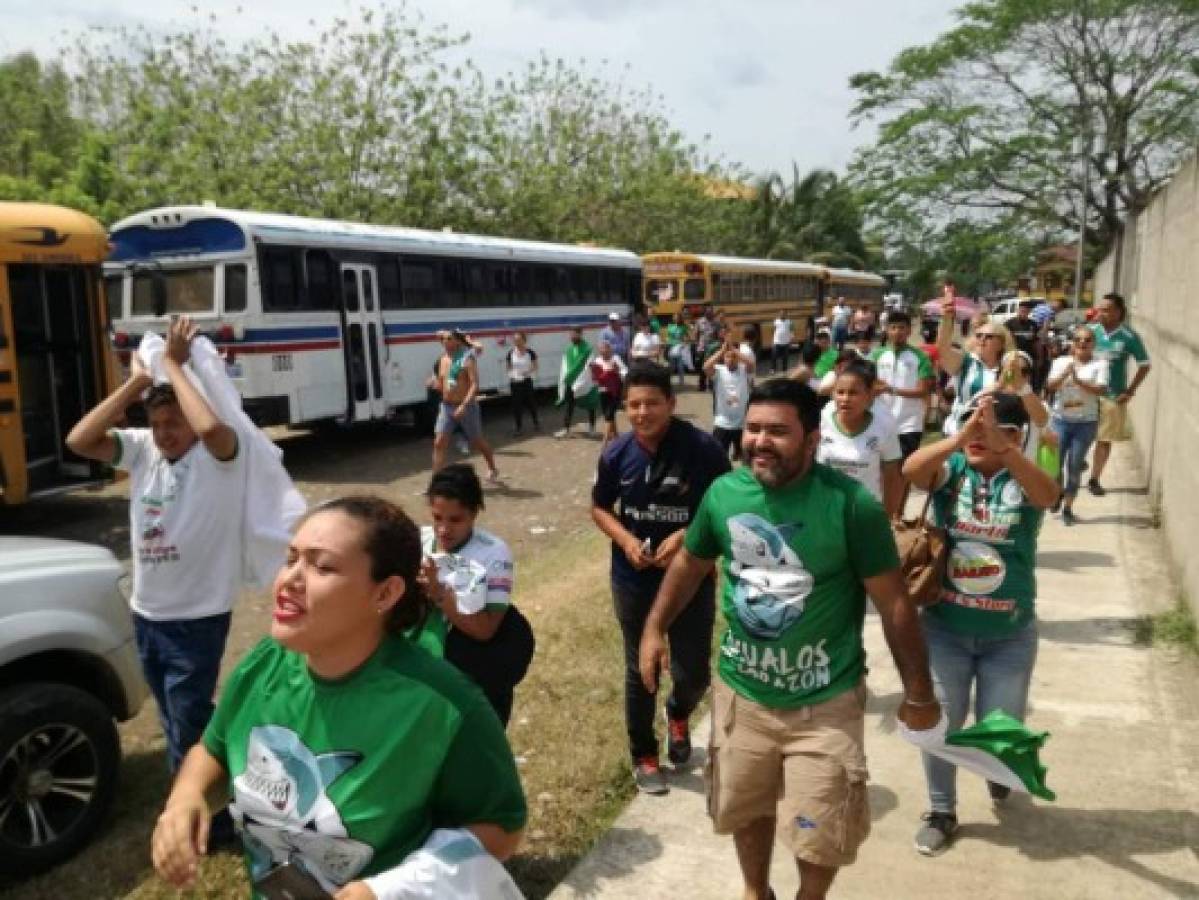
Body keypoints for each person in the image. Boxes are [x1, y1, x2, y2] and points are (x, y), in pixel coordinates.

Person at [639, 378, 940, 900]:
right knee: (746, 809)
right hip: (743, 698)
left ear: (812, 439)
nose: (760, 441)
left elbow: (895, 603)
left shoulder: (851, 506)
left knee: (819, 830)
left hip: (824, 705)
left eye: (777, 431)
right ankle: (756, 890)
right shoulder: (725, 494)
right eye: (753, 429)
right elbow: (690, 562)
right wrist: (654, 627)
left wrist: (919, 693)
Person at [150, 496, 527, 896]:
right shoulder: (264, 664)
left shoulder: (444, 704)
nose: (289, 580)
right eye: (290, 559)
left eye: (322, 566)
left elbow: (503, 828)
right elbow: (214, 748)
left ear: (385, 594)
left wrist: (387, 889)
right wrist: (186, 797)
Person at [66, 317, 246, 848]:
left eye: (174, 422)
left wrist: (173, 366)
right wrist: (139, 382)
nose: (165, 432)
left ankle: (200, 817)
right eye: (158, 422)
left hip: (196, 618)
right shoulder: (143, 449)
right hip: (148, 615)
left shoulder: (219, 457)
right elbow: (79, 440)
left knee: (187, 720)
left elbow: (210, 429)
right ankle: (215, 788)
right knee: (173, 717)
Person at [902, 393, 1059, 856]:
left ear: (1013, 435)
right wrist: (958, 438)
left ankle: (997, 769)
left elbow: (1049, 496)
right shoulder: (953, 472)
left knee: (1002, 728)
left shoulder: (1023, 477)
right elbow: (912, 471)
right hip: (944, 630)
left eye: (989, 428)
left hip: (1009, 635)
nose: (977, 435)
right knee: (940, 725)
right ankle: (941, 810)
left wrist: (1006, 450)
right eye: (970, 423)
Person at [590, 363, 731, 794]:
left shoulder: (703, 449)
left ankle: (678, 712)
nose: (642, 413)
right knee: (641, 667)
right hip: (633, 580)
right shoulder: (616, 454)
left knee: (694, 673)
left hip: (690, 577)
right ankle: (644, 755)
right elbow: (599, 508)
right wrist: (626, 541)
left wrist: (687, 536)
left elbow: (727, 505)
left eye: (652, 403)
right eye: (633, 405)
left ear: (671, 403)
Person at [417, 465, 535, 725]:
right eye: (437, 518)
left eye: (455, 520)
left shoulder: (493, 554)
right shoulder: (418, 542)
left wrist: (439, 595)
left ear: (474, 513)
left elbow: (485, 629)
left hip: (475, 673)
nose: (443, 529)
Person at [817, 358, 904, 518]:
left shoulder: (884, 424)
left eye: (853, 393)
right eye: (840, 392)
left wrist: (886, 517)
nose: (845, 399)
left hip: (865, 513)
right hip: (825, 511)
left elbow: (892, 476)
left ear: (870, 395)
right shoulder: (822, 419)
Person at [1087, 292, 1151, 496]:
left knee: (1104, 439)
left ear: (1118, 312)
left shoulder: (1129, 337)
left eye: (1106, 310)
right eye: (1100, 309)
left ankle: (1094, 479)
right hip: (1085, 394)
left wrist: (1130, 391)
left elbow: (1144, 365)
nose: (1101, 313)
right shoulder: (1089, 332)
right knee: (1078, 434)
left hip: (1112, 396)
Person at [1046, 326, 1108, 525]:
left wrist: (1079, 381)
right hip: (1060, 420)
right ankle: (1057, 493)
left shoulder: (1100, 364)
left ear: (1093, 344)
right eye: (1078, 339)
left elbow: (1101, 389)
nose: (1082, 343)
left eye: (1087, 340)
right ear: (1072, 343)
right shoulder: (1061, 362)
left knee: (1074, 467)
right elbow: (1050, 386)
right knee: (1054, 466)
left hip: (1085, 423)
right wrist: (1065, 374)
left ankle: (1068, 508)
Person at [872, 309, 937, 473]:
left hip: (909, 424)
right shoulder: (876, 355)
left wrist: (891, 389)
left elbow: (923, 391)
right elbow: (867, 383)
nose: (897, 332)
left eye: (902, 327)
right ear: (887, 330)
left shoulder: (920, 357)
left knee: (905, 471)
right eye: (893, 327)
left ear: (909, 330)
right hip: (881, 421)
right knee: (880, 471)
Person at [431, 330, 500, 480]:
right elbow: (441, 383)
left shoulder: (467, 359)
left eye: (449, 338)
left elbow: (474, 384)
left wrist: (463, 405)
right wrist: (436, 385)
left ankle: (492, 468)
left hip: (466, 406)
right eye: (443, 339)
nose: (445, 341)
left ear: (457, 341)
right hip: (447, 406)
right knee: (439, 443)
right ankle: (436, 481)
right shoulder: (442, 360)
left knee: (476, 441)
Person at [937, 294, 1007, 436]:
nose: (982, 339)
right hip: (959, 432)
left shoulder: (1007, 367)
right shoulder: (967, 362)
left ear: (1000, 344)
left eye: (989, 336)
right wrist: (946, 319)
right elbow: (943, 348)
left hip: (992, 436)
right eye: (979, 335)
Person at [703, 341, 752, 461]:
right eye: (727, 356)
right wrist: (721, 351)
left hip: (741, 423)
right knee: (718, 457)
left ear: (738, 358)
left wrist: (734, 350)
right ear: (723, 358)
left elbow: (751, 364)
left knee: (745, 458)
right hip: (722, 423)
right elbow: (706, 367)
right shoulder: (719, 371)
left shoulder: (743, 370)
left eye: (733, 357)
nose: (730, 359)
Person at [555, 327, 598, 439]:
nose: (571, 337)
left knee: (590, 404)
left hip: (585, 382)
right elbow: (565, 365)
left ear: (580, 334)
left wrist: (582, 380)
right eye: (571, 334)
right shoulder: (569, 349)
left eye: (574, 334)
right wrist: (566, 378)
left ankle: (592, 428)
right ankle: (566, 429)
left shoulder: (588, 349)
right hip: (570, 382)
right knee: (569, 406)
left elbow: (590, 365)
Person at [590, 339, 629, 446]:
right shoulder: (597, 361)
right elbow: (594, 377)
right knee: (608, 415)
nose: (603, 351)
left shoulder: (615, 359)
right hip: (602, 391)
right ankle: (616, 437)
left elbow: (625, 371)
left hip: (615, 391)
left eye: (605, 349)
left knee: (609, 414)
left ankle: (605, 442)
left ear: (609, 349)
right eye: (601, 349)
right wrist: (595, 376)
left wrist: (617, 370)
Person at [1005, 300, 1045, 391]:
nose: (1023, 313)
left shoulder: (1033, 325)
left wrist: (1040, 357)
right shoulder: (1009, 324)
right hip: (1012, 357)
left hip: (1029, 357)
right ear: (1018, 310)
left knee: (1027, 381)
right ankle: (1008, 392)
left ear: (1029, 312)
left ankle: (1027, 395)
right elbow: (1005, 341)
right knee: (1009, 379)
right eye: (1021, 310)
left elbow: (1037, 343)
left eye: (1026, 311)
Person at [505, 331, 540, 435]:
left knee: (531, 403)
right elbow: (508, 368)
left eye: (519, 340)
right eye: (515, 340)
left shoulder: (530, 352)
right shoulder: (510, 353)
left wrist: (527, 372)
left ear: (524, 340)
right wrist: (512, 375)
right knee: (516, 405)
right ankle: (518, 428)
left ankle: (536, 422)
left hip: (527, 381)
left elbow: (535, 366)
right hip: (515, 382)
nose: (516, 342)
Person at [665, 313, 692, 387]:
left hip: (680, 348)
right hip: (671, 347)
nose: (676, 319)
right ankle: (668, 380)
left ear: (680, 318)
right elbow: (668, 336)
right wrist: (667, 341)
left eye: (677, 318)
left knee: (680, 366)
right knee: (672, 366)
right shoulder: (670, 326)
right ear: (673, 318)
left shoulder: (684, 327)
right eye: (675, 318)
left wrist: (685, 342)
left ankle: (681, 381)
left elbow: (688, 337)